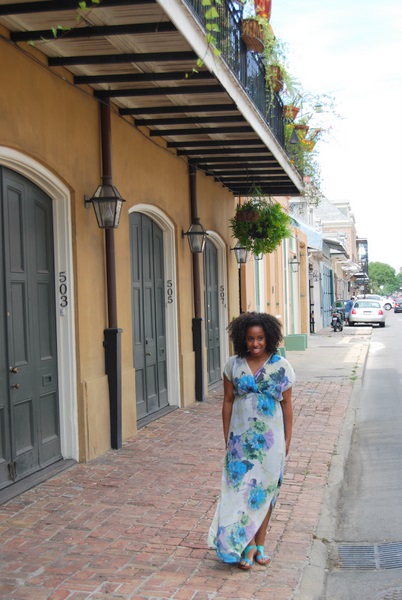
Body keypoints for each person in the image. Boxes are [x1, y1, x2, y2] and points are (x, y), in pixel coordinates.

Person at [208, 312, 295, 570]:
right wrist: (227, 437)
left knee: (264, 493)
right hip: (239, 441)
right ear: (241, 340)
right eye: (249, 339)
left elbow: (288, 406)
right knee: (240, 492)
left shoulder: (281, 366)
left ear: (268, 338)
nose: (255, 344)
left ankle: (260, 545)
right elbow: (227, 402)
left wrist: (288, 440)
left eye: (260, 338)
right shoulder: (232, 366)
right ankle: (243, 544)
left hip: (270, 442)